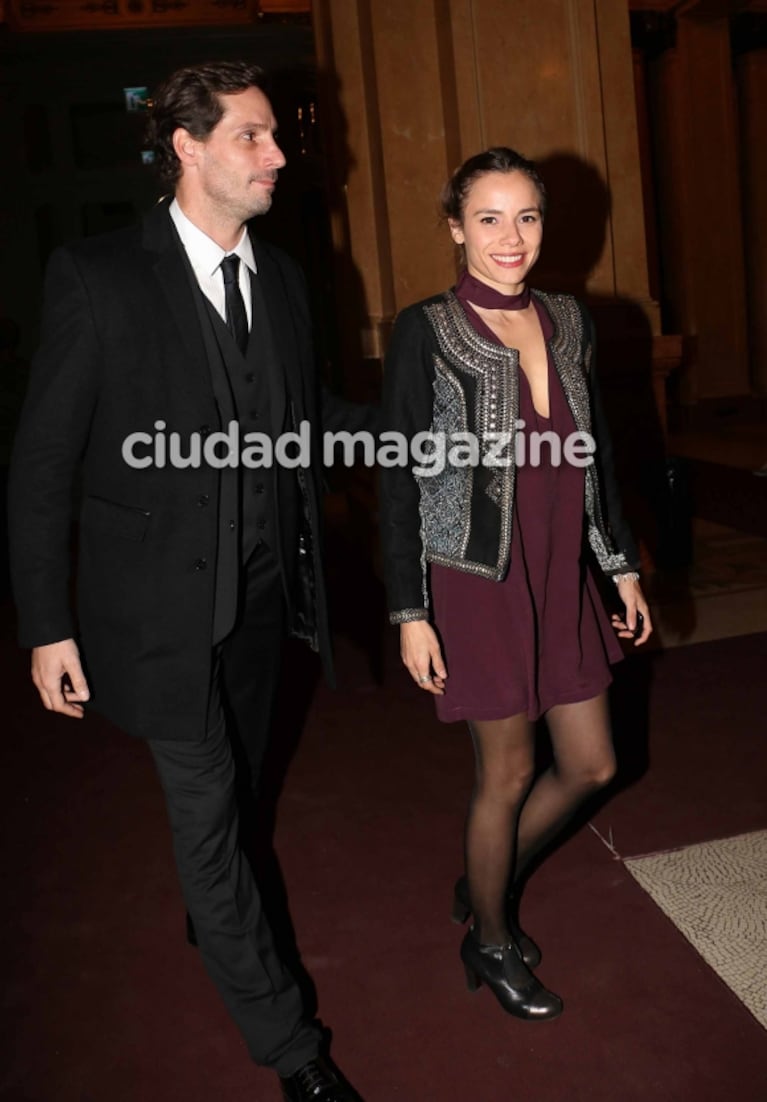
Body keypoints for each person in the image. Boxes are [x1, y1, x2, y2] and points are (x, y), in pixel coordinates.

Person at [8, 60, 372, 1102]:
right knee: (209, 818)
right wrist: (48, 623)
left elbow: (311, 422)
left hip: (263, 599)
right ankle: (290, 1048)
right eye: (253, 137)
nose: (277, 156)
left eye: (273, 136)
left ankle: (210, 902)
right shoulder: (97, 276)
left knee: (243, 791)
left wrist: (416, 435)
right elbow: (41, 470)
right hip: (155, 613)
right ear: (189, 146)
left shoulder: (290, 280)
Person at [379, 147, 652, 1021]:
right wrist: (408, 609)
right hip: (474, 578)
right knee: (506, 773)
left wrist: (620, 565)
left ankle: (482, 878)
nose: (510, 236)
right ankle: (489, 938)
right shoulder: (425, 328)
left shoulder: (570, 318)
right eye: (488, 218)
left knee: (592, 762)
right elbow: (395, 476)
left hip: (559, 567)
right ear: (456, 228)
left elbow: (593, 450)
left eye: (526, 216)